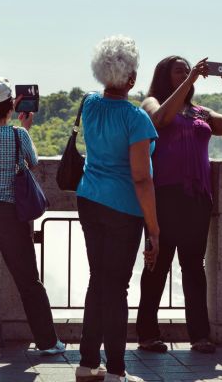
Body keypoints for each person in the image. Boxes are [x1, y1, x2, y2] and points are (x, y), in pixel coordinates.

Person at [136, 56, 222, 353]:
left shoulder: (199, 112)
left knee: (194, 266)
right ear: (164, 75)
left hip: (197, 198)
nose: (186, 72)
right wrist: (190, 80)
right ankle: (147, 334)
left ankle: (200, 335)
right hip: (163, 196)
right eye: (179, 70)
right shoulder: (151, 102)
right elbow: (160, 121)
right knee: (157, 265)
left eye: (187, 68)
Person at [75, 35, 159, 382]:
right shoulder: (136, 118)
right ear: (132, 79)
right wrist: (154, 228)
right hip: (123, 207)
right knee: (116, 287)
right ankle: (116, 370)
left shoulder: (89, 105)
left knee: (99, 281)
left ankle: (86, 363)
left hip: (89, 199)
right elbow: (141, 178)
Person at [0, 77, 65, 360]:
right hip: (9, 214)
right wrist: (22, 124)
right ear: (10, 106)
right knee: (28, 281)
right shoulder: (18, 135)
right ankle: (46, 341)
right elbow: (32, 162)